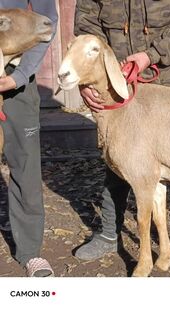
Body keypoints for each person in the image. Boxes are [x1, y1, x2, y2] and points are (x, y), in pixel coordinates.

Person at [74, 0, 170, 272]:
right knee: (120, 158)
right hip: (122, 80)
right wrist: (88, 79)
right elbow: (87, 28)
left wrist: (152, 54)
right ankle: (108, 232)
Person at [0, 1, 58, 276]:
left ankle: (30, 251)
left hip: (14, 79)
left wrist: (21, 76)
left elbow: (47, 18)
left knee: (26, 164)